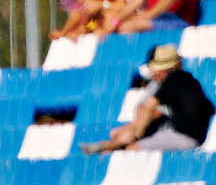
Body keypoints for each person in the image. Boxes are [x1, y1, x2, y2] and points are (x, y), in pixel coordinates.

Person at [81, 45, 212, 153]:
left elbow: (147, 107)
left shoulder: (172, 80)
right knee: (129, 143)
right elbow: (209, 108)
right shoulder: (190, 80)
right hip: (190, 135)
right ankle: (107, 146)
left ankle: (107, 147)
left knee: (132, 149)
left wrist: (136, 135)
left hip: (185, 137)